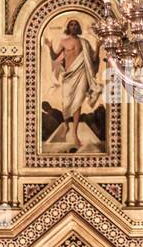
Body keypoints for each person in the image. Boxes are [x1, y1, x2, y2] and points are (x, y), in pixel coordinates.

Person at [43, 19, 102, 149]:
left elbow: (92, 59)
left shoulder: (84, 42)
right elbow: (54, 56)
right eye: (71, 24)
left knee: (77, 103)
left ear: (78, 27)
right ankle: (66, 126)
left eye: (76, 24)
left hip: (81, 74)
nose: (74, 26)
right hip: (69, 76)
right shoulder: (64, 42)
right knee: (66, 102)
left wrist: (98, 46)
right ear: (68, 27)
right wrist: (49, 46)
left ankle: (74, 133)